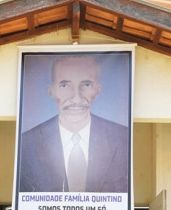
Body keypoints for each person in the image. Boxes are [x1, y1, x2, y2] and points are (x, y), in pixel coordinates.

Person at [18, 55, 129, 193]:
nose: (76, 97)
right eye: (64, 85)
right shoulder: (26, 144)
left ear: (97, 90)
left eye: (86, 85)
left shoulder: (123, 139)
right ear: (51, 91)